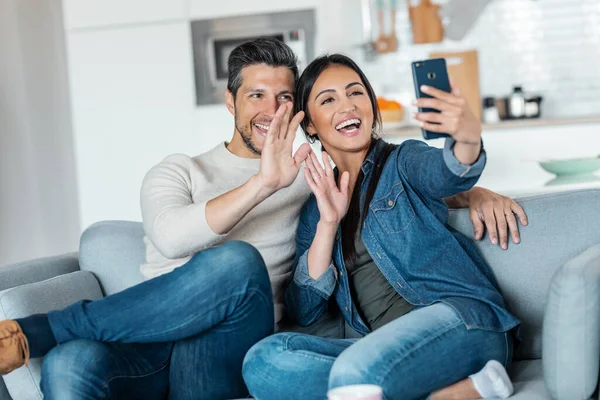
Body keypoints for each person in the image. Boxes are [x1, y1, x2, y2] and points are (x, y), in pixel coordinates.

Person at [0, 39, 525, 399]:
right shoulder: (192, 172)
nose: (271, 110)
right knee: (257, 362)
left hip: (439, 317)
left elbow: (430, 172)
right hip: (154, 336)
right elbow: (176, 238)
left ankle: (38, 331)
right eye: (256, 95)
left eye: (284, 97)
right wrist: (294, 204)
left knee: (239, 265)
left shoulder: (344, 170)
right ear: (230, 102)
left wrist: (472, 172)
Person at [242, 53, 522, 400]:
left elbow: (448, 172)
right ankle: (454, 393)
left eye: (356, 93)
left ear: (371, 105)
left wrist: (467, 138)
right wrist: (329, 223)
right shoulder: (315, 211)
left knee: (355, 374)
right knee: (265, 361)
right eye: (328, 100)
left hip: (463, 323)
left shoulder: (403, 162)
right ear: (311, 125)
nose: (347, 106)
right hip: (381, 351)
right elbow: (305, 309)